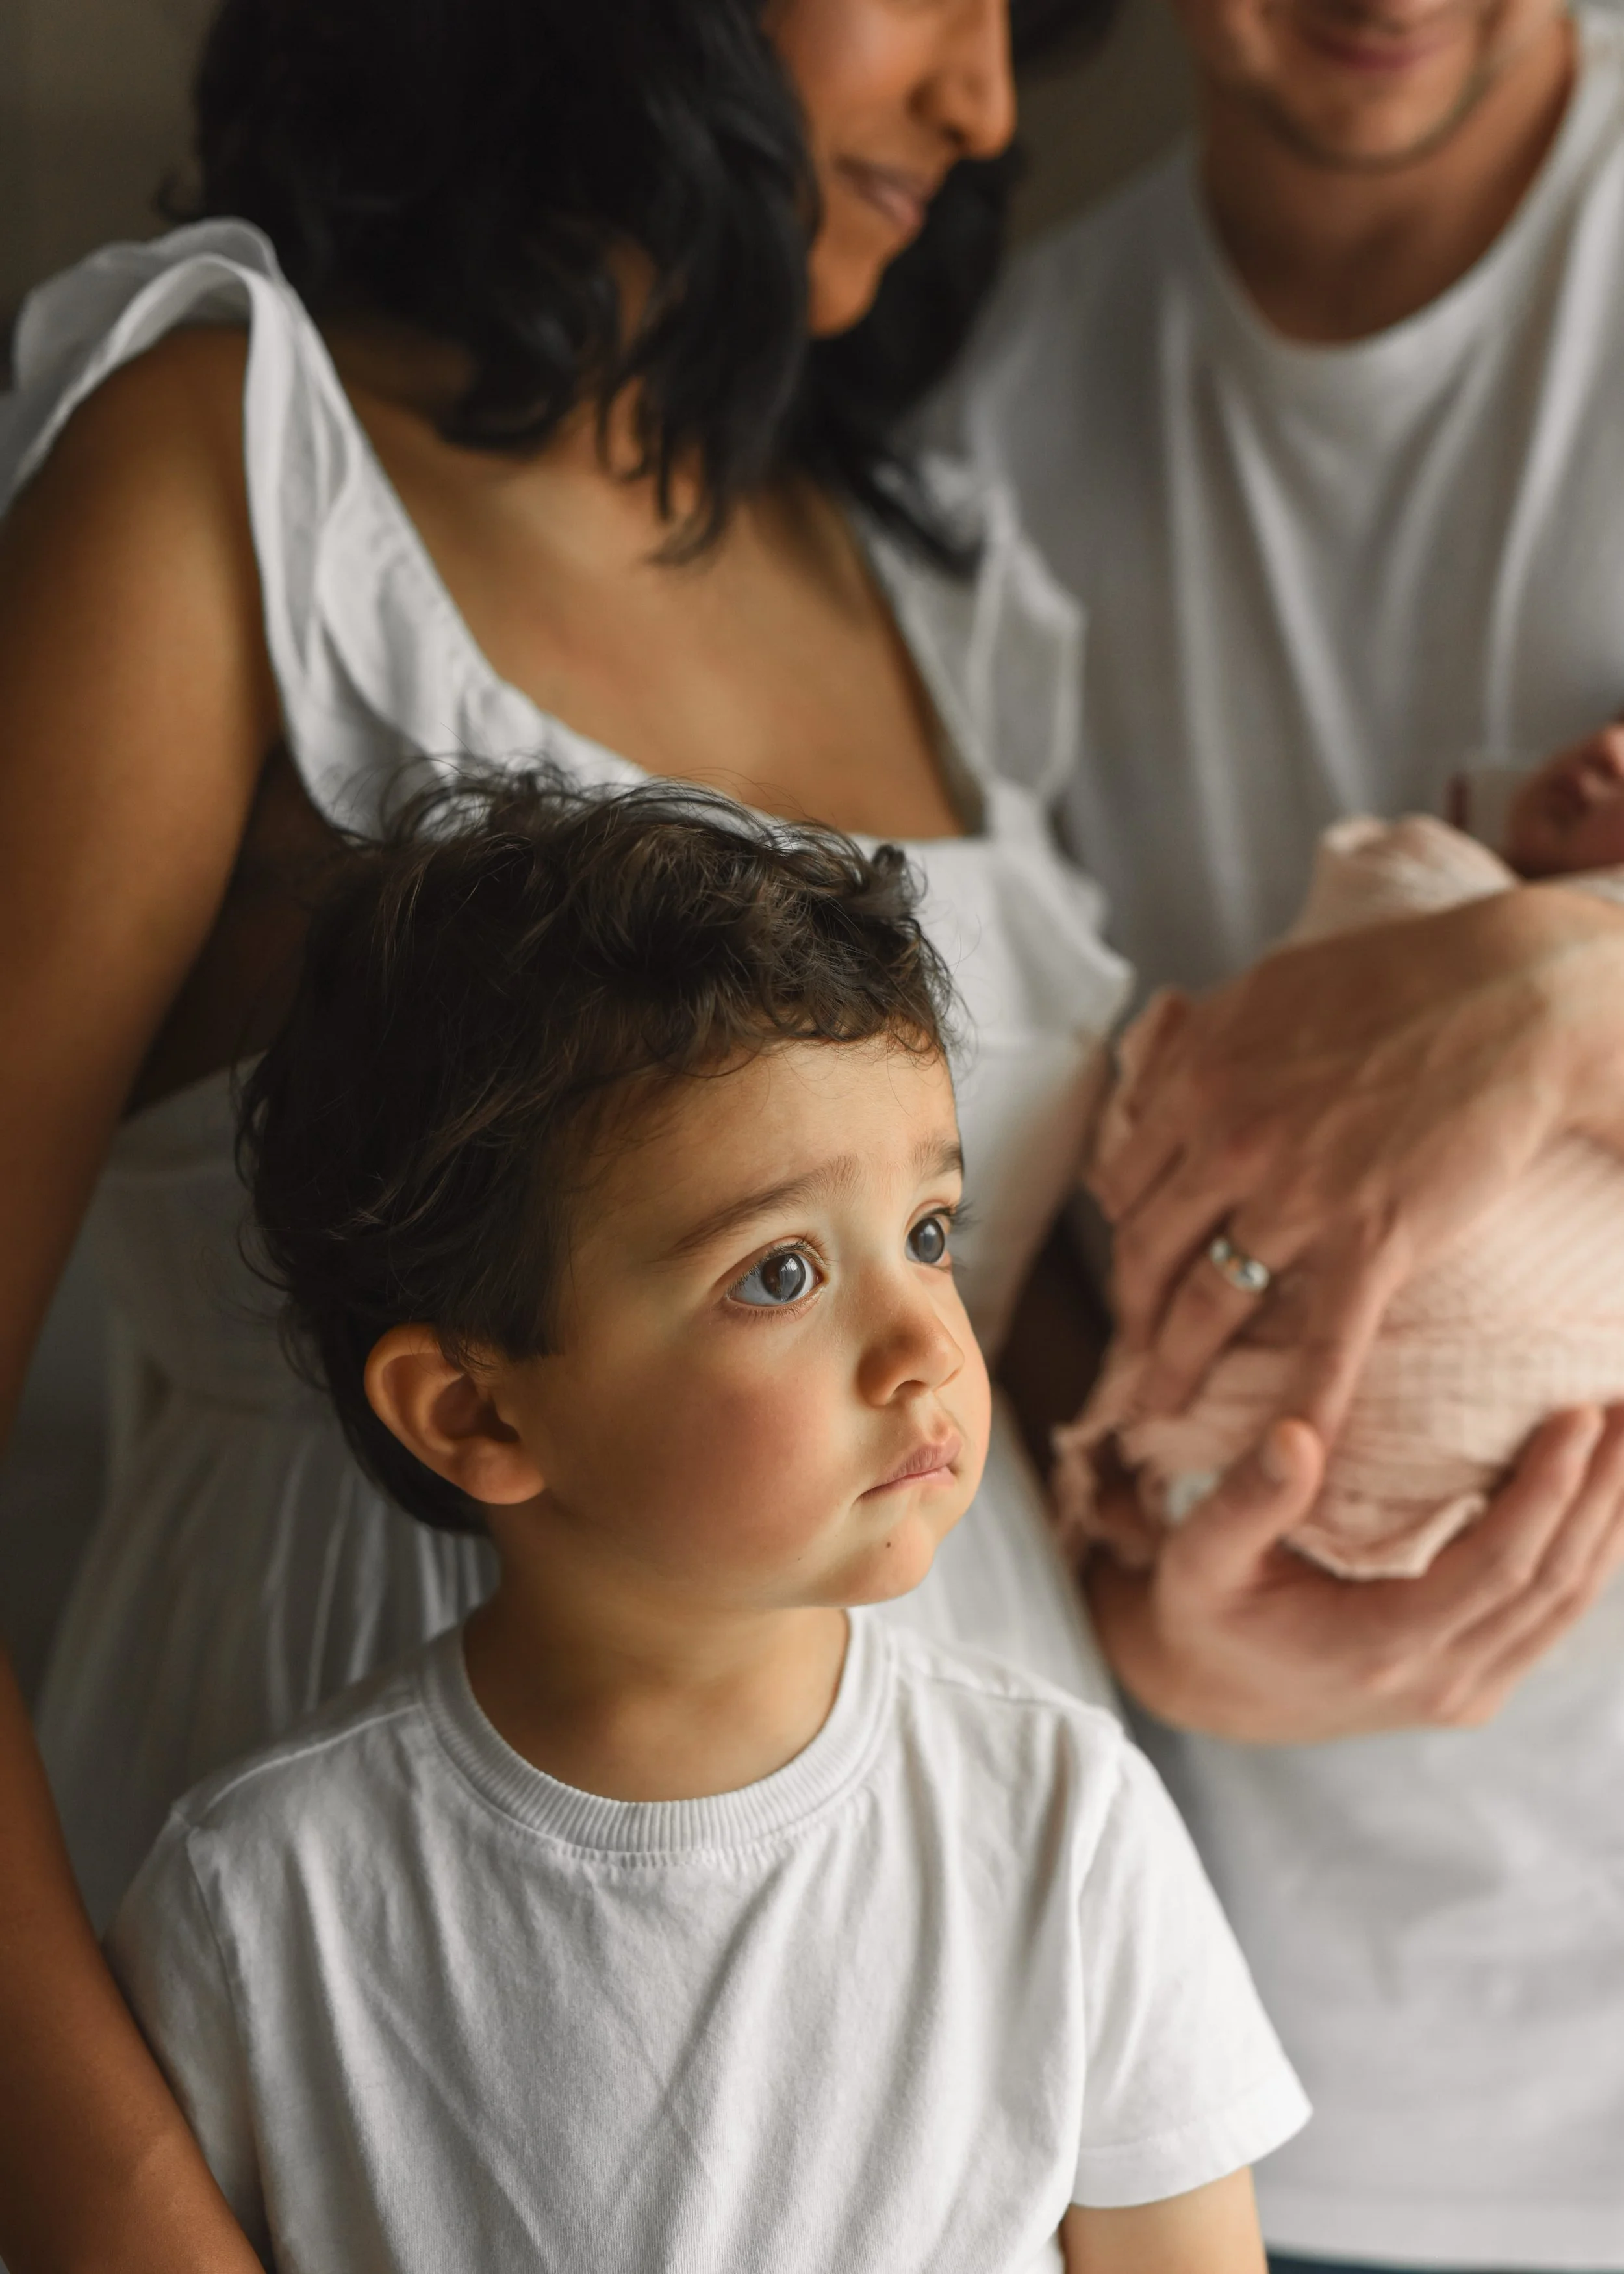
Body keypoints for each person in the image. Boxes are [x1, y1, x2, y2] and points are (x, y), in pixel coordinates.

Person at [0, 0, 1615, 2267]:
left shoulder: (907, 543)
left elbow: (995, 1354)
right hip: (387, 2004)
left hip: (964, 2017)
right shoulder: (231, 468)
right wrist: (140, 2218)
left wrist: (1191, 1633)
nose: (982, 102)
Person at [109, 770, 1309, 2273]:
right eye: (780, 1273)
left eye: (929, 1233)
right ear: (478, 1412)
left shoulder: (1063, 1822)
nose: (925, 1344)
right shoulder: (259, 1897)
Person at [950, 0, 1624, 2263]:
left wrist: (1552, 986)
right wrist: (1149, 1616)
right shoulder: (980, 429)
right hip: (1286, 2070)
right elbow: (983, 1205)